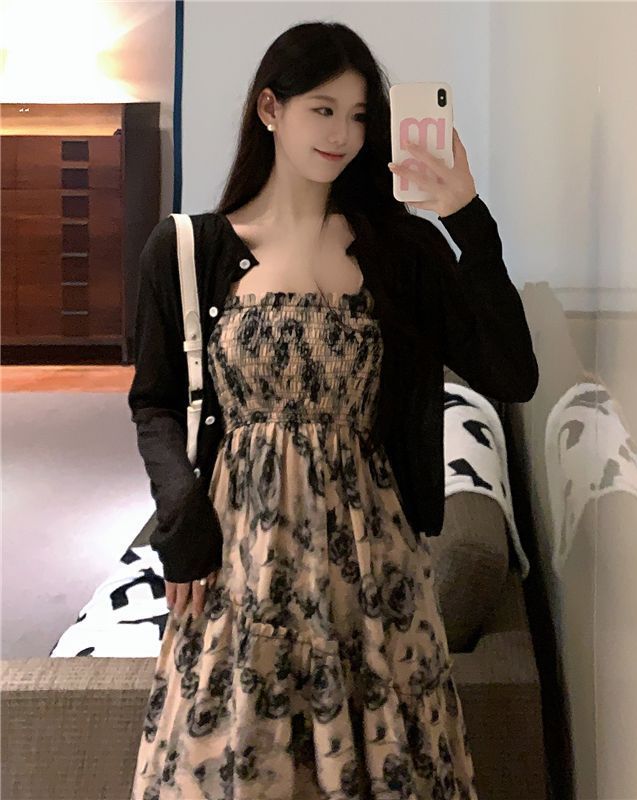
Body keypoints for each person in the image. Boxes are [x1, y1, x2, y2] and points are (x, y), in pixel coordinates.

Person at [128, 20, 537, 800]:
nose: (343, 135)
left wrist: (467, 217)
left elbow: (511, 372)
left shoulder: (401, 251)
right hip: (241, 559)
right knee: (231, 763)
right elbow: (153, 402)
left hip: (372, 565)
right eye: (323, 110)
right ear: (270, 109)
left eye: (358, 116)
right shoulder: (188, 250)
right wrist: (181, 519)